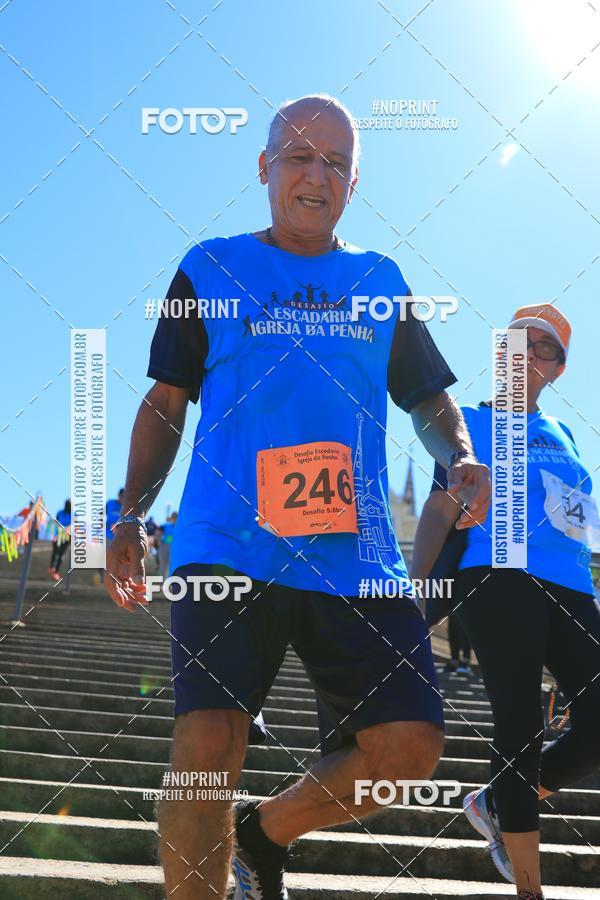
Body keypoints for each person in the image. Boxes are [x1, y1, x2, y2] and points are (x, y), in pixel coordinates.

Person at [104, 93, 491, 900]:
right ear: (264, 167)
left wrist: (459, 455)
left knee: (412, 747)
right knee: (208, 748)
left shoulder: (379, 280)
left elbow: (426, 398)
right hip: (227, 544)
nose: (318, 176)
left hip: (356, 558)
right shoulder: (208, 267)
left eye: (338, 164)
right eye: (300, 157)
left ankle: (265, 830)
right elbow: (165, 401)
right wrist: (128, 510)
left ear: (356, 180)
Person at [411, 304, 600, 900]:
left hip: (572, 583)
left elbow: (580, 521)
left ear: (560, 369)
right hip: (497, 574)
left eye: (548, 349)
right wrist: (416, 597)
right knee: (518, 724)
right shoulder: (465, 422)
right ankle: (529, 888)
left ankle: (495, 801)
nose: (532, 355)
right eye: (522, 342)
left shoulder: (563, 434)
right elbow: (440, 511)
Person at [48, 499, 71, 581]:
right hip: (58, 536)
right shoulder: (60, 513)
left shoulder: (74, 515)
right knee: (55, 552)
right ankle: (51, 568)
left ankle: (56, 571)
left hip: (67, 538)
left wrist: (68, 528)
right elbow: (56, 524)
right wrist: (55, 535)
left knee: (60, 554)